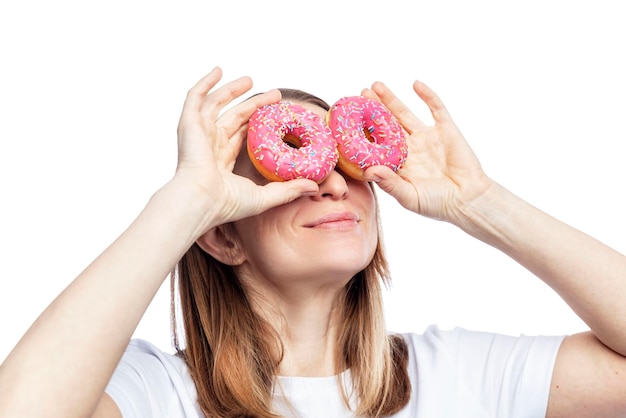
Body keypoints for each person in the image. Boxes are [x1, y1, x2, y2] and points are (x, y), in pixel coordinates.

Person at [1, 66, 625, 418]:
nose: (330, 183)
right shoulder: (158, 395)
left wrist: (481, 204)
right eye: (292, 168)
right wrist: (181, 206)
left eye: (348, 166)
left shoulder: (458, 377)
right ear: (223, 236)